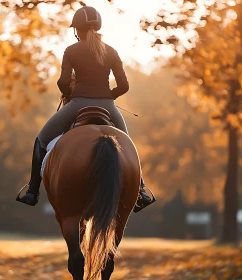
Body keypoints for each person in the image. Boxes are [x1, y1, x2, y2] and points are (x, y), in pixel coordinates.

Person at [16, 6, 155, 213]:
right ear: (98, 28)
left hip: (77, 104)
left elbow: (63, 82)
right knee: (128, 147)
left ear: (77, 30)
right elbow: (124, 85)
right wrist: (108, 97)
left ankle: (33, 190)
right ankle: (141, 191)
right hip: (108, 105)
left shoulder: (71, 51)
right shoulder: (111, 51)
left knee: (42, 140)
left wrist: (71, 93)